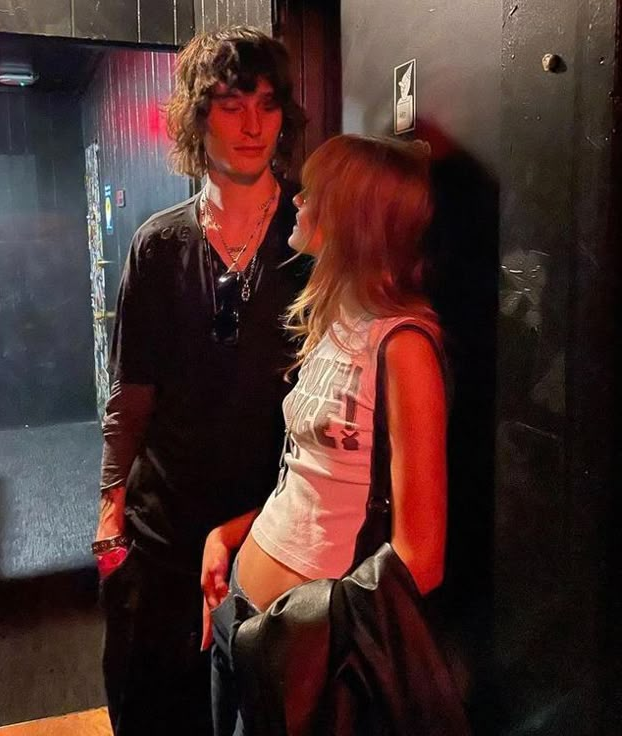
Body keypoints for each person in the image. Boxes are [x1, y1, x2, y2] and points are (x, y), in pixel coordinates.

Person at [92, 26, 307, 736]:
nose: (253, 124)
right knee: (151, 708)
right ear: (196, 116)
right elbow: (133, 389)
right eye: (230, 103)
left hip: (274, 527)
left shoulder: (316, 233)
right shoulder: (159, 243)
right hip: (164, 531)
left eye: (268, 105)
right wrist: (108, 508)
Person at [201, 134, 450, 736]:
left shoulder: (403, 343)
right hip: (244, 613)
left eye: (314, 193)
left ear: (352, 216)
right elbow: (313, 484)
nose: (297, 201)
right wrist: (228, 535)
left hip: (308, 650)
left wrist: (302, 632)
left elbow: (421, 559)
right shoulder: (337, 322)